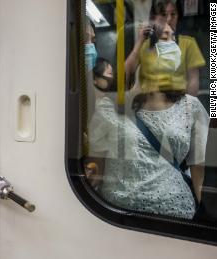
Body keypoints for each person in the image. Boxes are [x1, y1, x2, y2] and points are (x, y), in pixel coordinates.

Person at [87, 25, 210, 219]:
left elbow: (198, 167)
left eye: (172, 39)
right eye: (160, 39)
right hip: (114, 217)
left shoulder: (190, 107)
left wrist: (198, 208)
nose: (170, 46)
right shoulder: (108, 108)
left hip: (176, 214)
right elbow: (97, 171)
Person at [125, 0, 206, 95]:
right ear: (154, 19)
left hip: (178, 101)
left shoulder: (188, 43)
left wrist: (186, 106)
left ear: (178, 17)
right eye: (163, 14)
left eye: (173, 14)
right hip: (149, 102)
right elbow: (126, 73)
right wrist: (139, 42)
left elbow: (193, 80)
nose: (169, 19)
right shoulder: (144, 45)